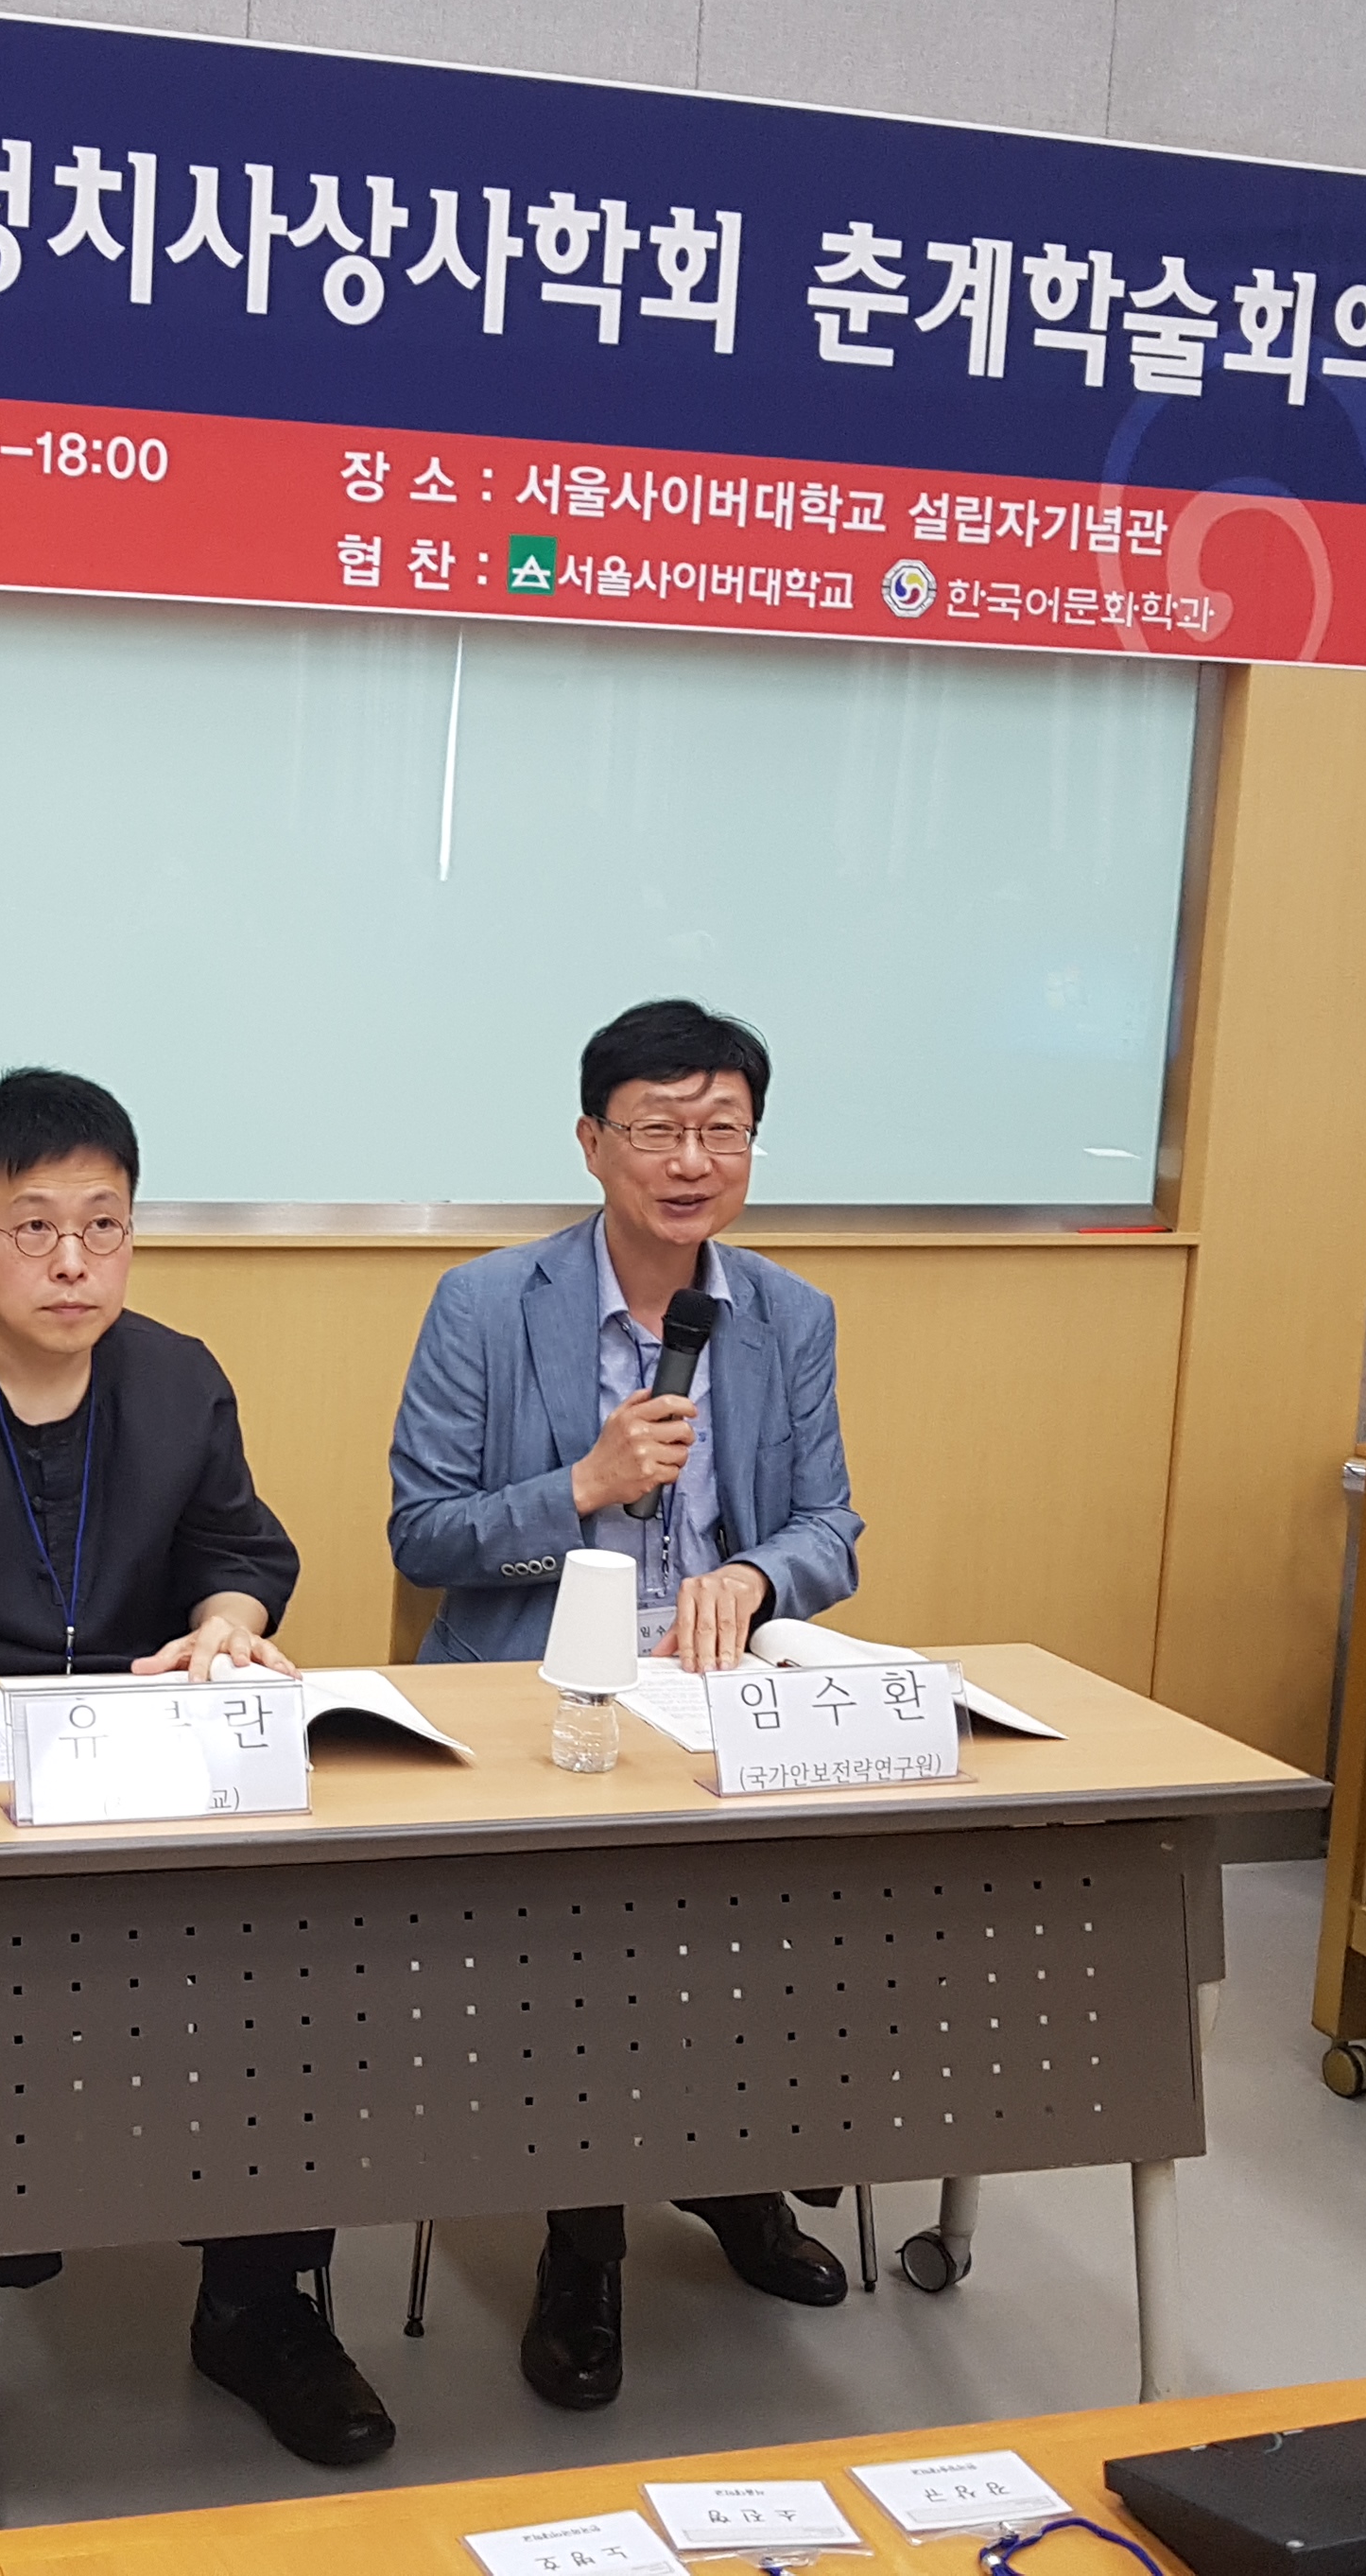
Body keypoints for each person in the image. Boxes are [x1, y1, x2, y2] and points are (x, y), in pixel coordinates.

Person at [0, 1067, 394, 2550]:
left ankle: (258, 2304)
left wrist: (226, 1622)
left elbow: (242, 1553)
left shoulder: (176, 1381)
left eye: (104, 1224)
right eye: (33, 1226)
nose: (72, 1261)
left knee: (290, 1962)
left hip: (152, 1772)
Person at [385, 997, 866, 2411]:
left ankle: (734, 2173)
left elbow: (832, 1525)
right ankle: (582, 2241)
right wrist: (584, 1488)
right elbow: (424, 1534)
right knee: (593, 1935)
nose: (692, 1161)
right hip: (537, 1694)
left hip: (719, 1690)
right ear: (594, 1143)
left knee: (804, 1909)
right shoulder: (487, 1304)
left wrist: (760, 1576)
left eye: (724, 1131)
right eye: (659, 1130)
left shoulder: (788, 1314)